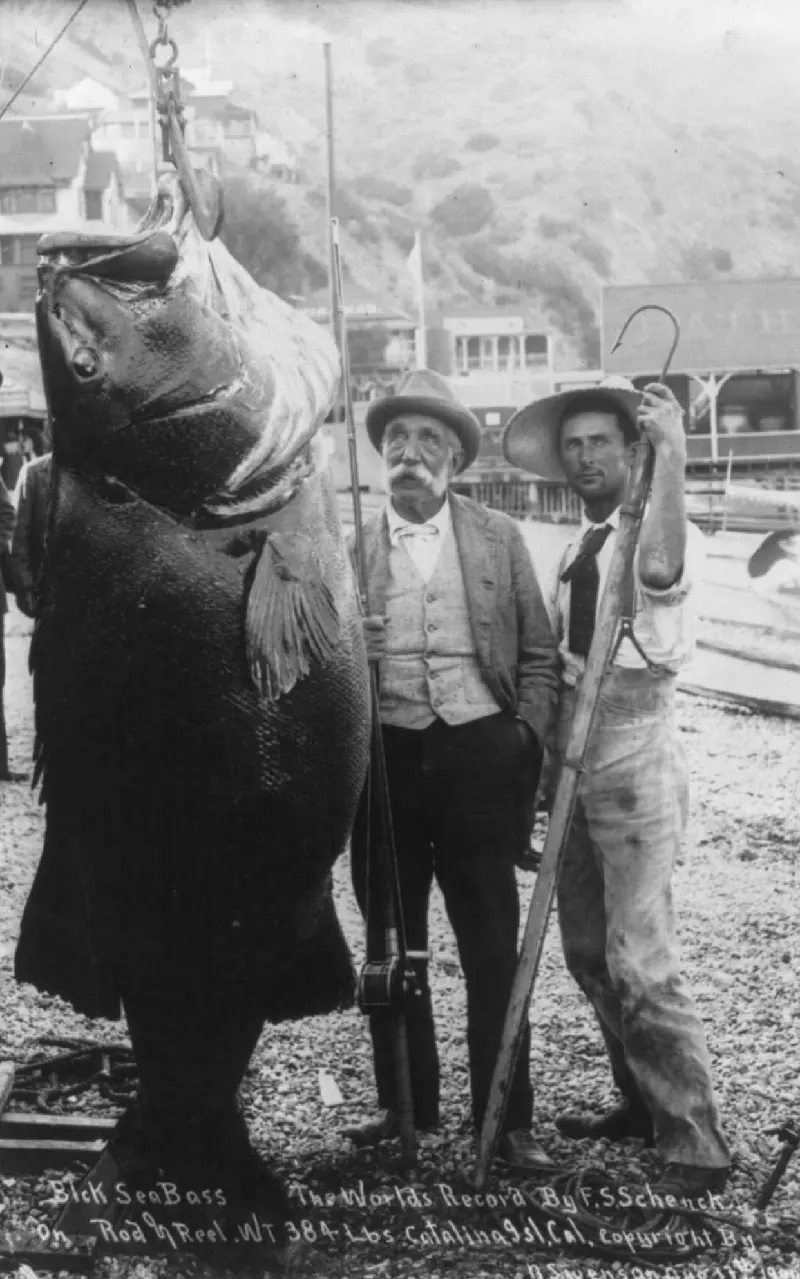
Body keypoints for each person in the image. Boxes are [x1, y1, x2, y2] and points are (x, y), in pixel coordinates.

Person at [503, 375, 731, 1198]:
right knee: (589, 949)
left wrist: (671, 452)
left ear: (631, 451)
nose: (585, 455)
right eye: (573, 445)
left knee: (643, 956)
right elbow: (563, 665)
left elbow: (661, 567)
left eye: (602, 441)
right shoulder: (579, 548)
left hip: (636, 746)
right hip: (575, 753)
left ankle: (696, 1141)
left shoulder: (666, 530)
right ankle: (639, 1100)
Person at [343, 367, 560, 1171]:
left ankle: (506, 1117)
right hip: (386, 761)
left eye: (428, 440)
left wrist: (521, 742)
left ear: (456, 459)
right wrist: (347, 653)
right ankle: (407, 1104)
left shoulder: (500, 538)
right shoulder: (351, 545)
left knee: (491, 947)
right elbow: (319, 669)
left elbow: (539, 657)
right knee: (389, 948)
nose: (409, 453)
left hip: (478, 756)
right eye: (396, 440)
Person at [11, 452, 53, 619]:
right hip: (46, 592)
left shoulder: (96, 473)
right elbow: (18, 537)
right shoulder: (34, 473)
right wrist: (25, 588)